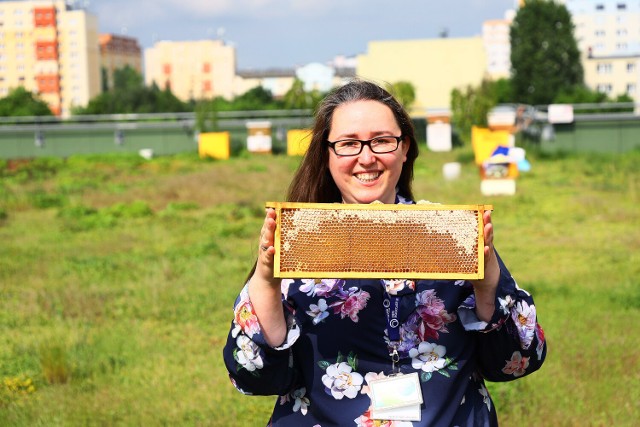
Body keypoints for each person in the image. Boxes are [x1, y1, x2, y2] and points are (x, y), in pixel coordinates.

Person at [223, 80, 546, 426]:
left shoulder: (451, 233)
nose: (366, 157)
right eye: (348, 144)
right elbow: (255, 376)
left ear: (405, 147)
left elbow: (519, 359)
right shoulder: (298, 238)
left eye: (382, 141)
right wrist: (267, 283)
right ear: (327, 154)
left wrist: (487, 283)